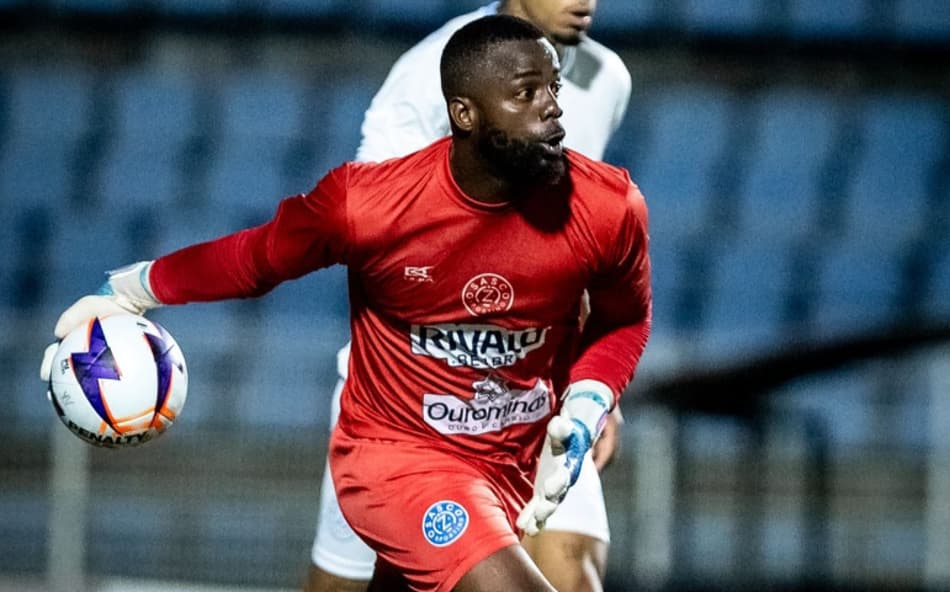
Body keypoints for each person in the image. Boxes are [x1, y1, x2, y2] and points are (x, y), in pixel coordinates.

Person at [41, 15, 651, 592]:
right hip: (400, 459)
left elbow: (626, 319)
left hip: (517, 461)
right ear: (463, 114)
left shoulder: (609, 206)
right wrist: (129, 289)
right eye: (526, 94)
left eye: (554, 88)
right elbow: (255, 259)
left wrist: (592, 398)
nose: (553, 110)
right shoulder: (369, 206)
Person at [310, 2, 633, 591]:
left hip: (535, 397)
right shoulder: (427, 75)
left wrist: (594, 386)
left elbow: (581, 236)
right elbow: (377, 232)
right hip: (411, 405)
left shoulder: (606, 78)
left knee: (572, 570)